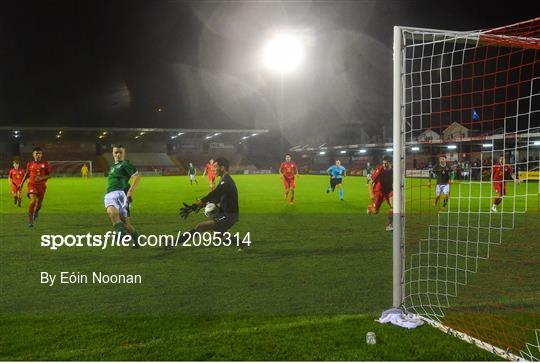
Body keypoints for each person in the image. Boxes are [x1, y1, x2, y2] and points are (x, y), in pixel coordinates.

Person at [179, 157, 240, 249]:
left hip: (229, 215)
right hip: (226, 214)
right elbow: (216, 199)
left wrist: (195, 205)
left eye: (215, 167)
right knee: (219, 237)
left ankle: (172, 242)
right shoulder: (224, 180)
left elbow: (213, 195)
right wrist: (198, 206)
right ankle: (242, 243)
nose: (213, 169)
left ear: (222, 168)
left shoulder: (226, 182)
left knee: (201, 226)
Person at [103, 145, 141, 246]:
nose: (118, 154)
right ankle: (121, 234)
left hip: (122, 195)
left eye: (120, 152)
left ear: (124, 153)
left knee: (126, 224)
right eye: (116, 152)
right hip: (110, 194)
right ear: (113, 153)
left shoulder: (125, 164)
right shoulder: (112, 167)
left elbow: (137, 177)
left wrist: (130, 191)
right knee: (112, 214)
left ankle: (136, 240)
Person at [20, 147, 52, 227]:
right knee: (33, 201)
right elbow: (27, 174)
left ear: (42, 154)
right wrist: (22, 183)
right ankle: (30, 220)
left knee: (39, 204)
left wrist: (41, 178)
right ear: (33, 154)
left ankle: (36, 211)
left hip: (41, 186)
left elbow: (49, 175)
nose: (38, 155)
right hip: (31, 185)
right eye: (36, 153)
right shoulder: (29, 164)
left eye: (39, 153)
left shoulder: (45, 164)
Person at [367, 155, 393, 231]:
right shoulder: (380, 169)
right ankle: (370, 207)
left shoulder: (394, 169)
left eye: (386, 163)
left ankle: (389, 225)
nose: (384, 165)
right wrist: (371, 194)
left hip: (389, 191)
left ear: (390, 163)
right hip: (379, 191)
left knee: (394, 207)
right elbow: (370, 182)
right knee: (375, 211)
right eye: (383, 163)